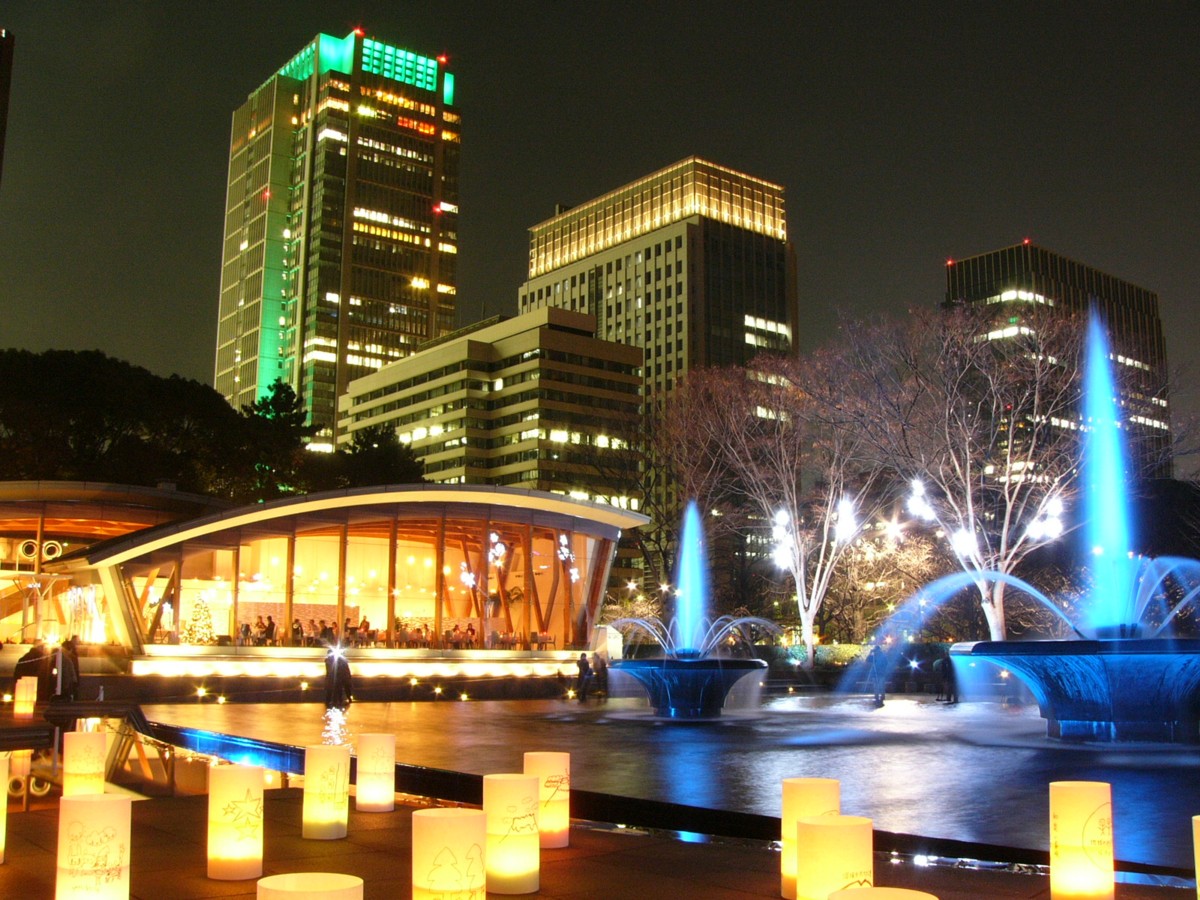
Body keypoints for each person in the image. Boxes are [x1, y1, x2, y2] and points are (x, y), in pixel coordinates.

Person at [323, 646, 353, 711]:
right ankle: (339, 701)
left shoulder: (329, 660)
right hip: (339, 678)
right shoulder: (340, 661)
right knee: (338, 690)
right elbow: (345, 670)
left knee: (332, 690)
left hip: (333, 678)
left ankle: (331, 702)